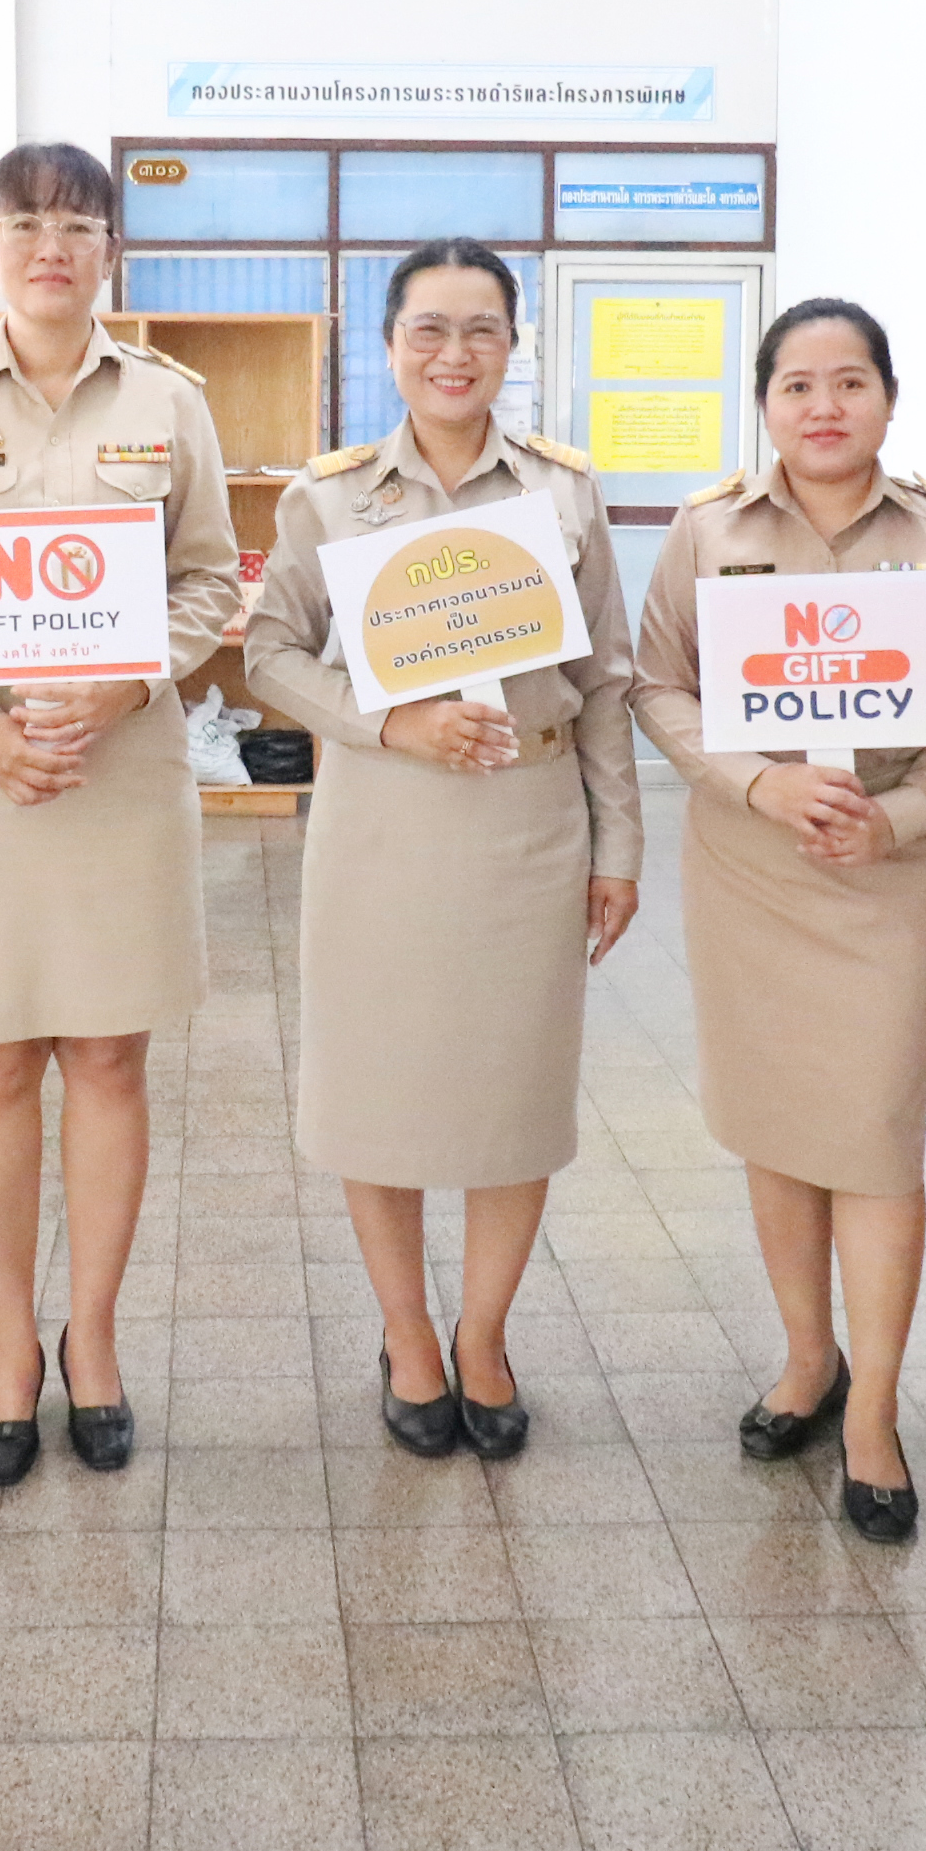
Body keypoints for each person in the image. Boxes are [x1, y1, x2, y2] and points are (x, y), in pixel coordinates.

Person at [0, 144, 241, 1488]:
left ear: (113, 250)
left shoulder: (170, 402)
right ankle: (11, 1347)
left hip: (122, 777)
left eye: (80, 224)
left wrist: (134, 686)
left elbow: (208, 583)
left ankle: (97, 1342)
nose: (52, 247)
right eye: (25, 224)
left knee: (115, 1063)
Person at [633, 300, 926, 1542]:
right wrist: (758, 780)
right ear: (766, 405)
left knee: (870, 1129)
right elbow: (657, 687)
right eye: (796, 385)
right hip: (752, 866)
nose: (822, 406)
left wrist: (902, 819)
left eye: (848, 382)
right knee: (773, 1123)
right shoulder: (706, 530)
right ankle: (809, 1360)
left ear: (889, 399)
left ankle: (876, 1413)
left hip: (887, 880)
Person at [243, 240, 640, 1461]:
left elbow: (607, 680)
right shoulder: (329, 496)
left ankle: (484, 1334)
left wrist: (618, 842)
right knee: (381, 1093)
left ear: (514, 347)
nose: (454, 353)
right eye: (428, 328)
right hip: (385, 831)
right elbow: (268, 655)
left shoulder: (565, 492)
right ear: (390, 344)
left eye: (480, 330)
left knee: (510, 1095)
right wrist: (388, 717)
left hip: (526, 826)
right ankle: (408, 1335)